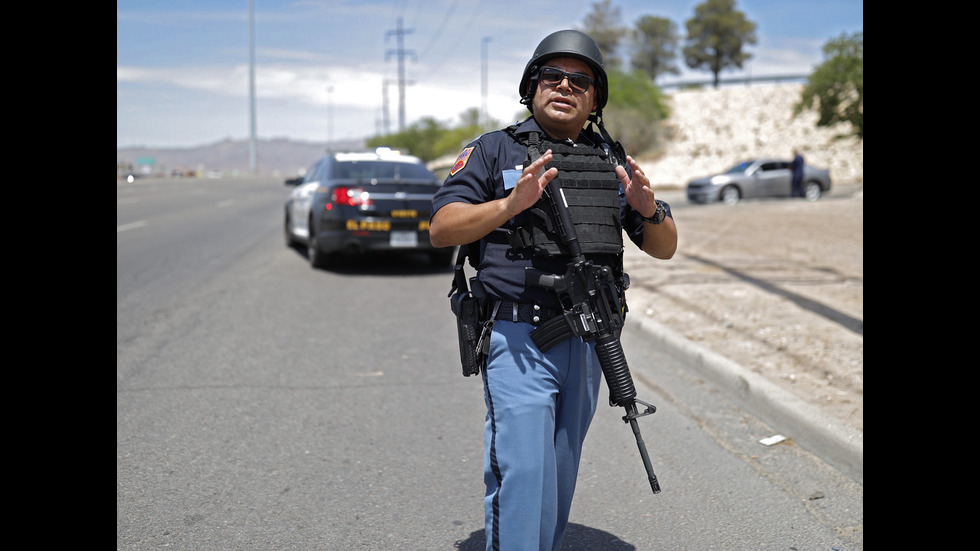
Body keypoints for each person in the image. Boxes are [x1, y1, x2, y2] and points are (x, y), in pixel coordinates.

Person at [430, 29, 677, 551]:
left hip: (589, 341)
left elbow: (664, 246)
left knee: (559, 476)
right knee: (523, 475)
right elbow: (442, 228)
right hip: (517, 339)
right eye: (553, 75)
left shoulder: (611, 159)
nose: (565, 86)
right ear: (532, 85)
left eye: (580, 80)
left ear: (594, 99)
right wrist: (509, 206)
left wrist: (648, 207)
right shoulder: (493, 150)